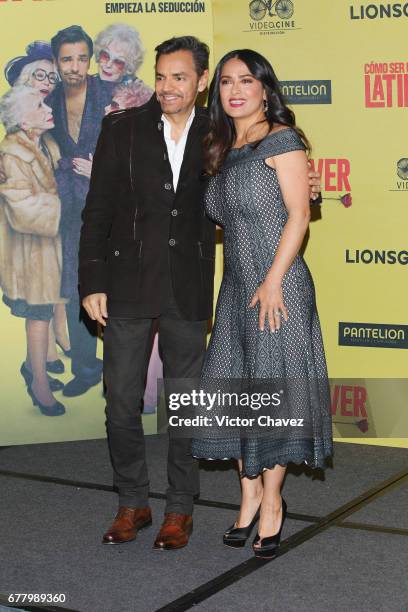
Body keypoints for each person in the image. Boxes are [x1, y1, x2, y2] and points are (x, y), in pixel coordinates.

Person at [78, 36, 322, 550]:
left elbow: (275, 179)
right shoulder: (120, 128)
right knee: (121, 402)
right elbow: (97, 210)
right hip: (127, 287)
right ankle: (132, 501)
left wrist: (305, 185)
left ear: (200, 80)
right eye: (161, 76)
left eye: (180, 77)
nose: (167, 87)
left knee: (190, 403)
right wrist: (92, 281)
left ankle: (179, 510)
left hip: (191, 289)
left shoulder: (221, 130)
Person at [191, 50, 333, 559]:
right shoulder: (221, 148)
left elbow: (299, 214)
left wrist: (273, 281)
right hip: (235, 291)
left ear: (265, 89)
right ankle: (247, 493)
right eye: (226, 82)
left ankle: (272, 501)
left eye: (245, 80)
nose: (234, 90)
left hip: (280, 289)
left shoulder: (283, 139)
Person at [47, 25, 115, 397]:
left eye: (81, 58)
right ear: (56, 62)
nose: (74, 66)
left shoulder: (112, 94)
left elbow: (140, 154)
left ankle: (121, 372)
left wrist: (102, 169)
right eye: (66, 58)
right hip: (68, 211)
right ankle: (87, 368)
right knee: (76, 289)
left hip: (112, 207)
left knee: (120, 288)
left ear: (91, 59)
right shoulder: (47, 101)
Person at [4, 41, 71, 369]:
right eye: (40, 75)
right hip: (24, 219)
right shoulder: (17, 125)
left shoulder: (50, 122)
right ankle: (41, 359)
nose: (47, 82)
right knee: (35, 288)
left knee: (55, 275)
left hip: (47, 217)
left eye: (53, 77)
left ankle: (53, 342)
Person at [0, 86, 66, 416]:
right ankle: (38, 382)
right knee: (38, 315)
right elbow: (22, 208)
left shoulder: (45, 143)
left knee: (50, 307)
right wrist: (64, 206)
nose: (47, 106)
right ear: (23, 121)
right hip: (29, 252)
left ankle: (34, 365)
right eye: (38, 105)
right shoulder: (12, 155)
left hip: (48, 245)